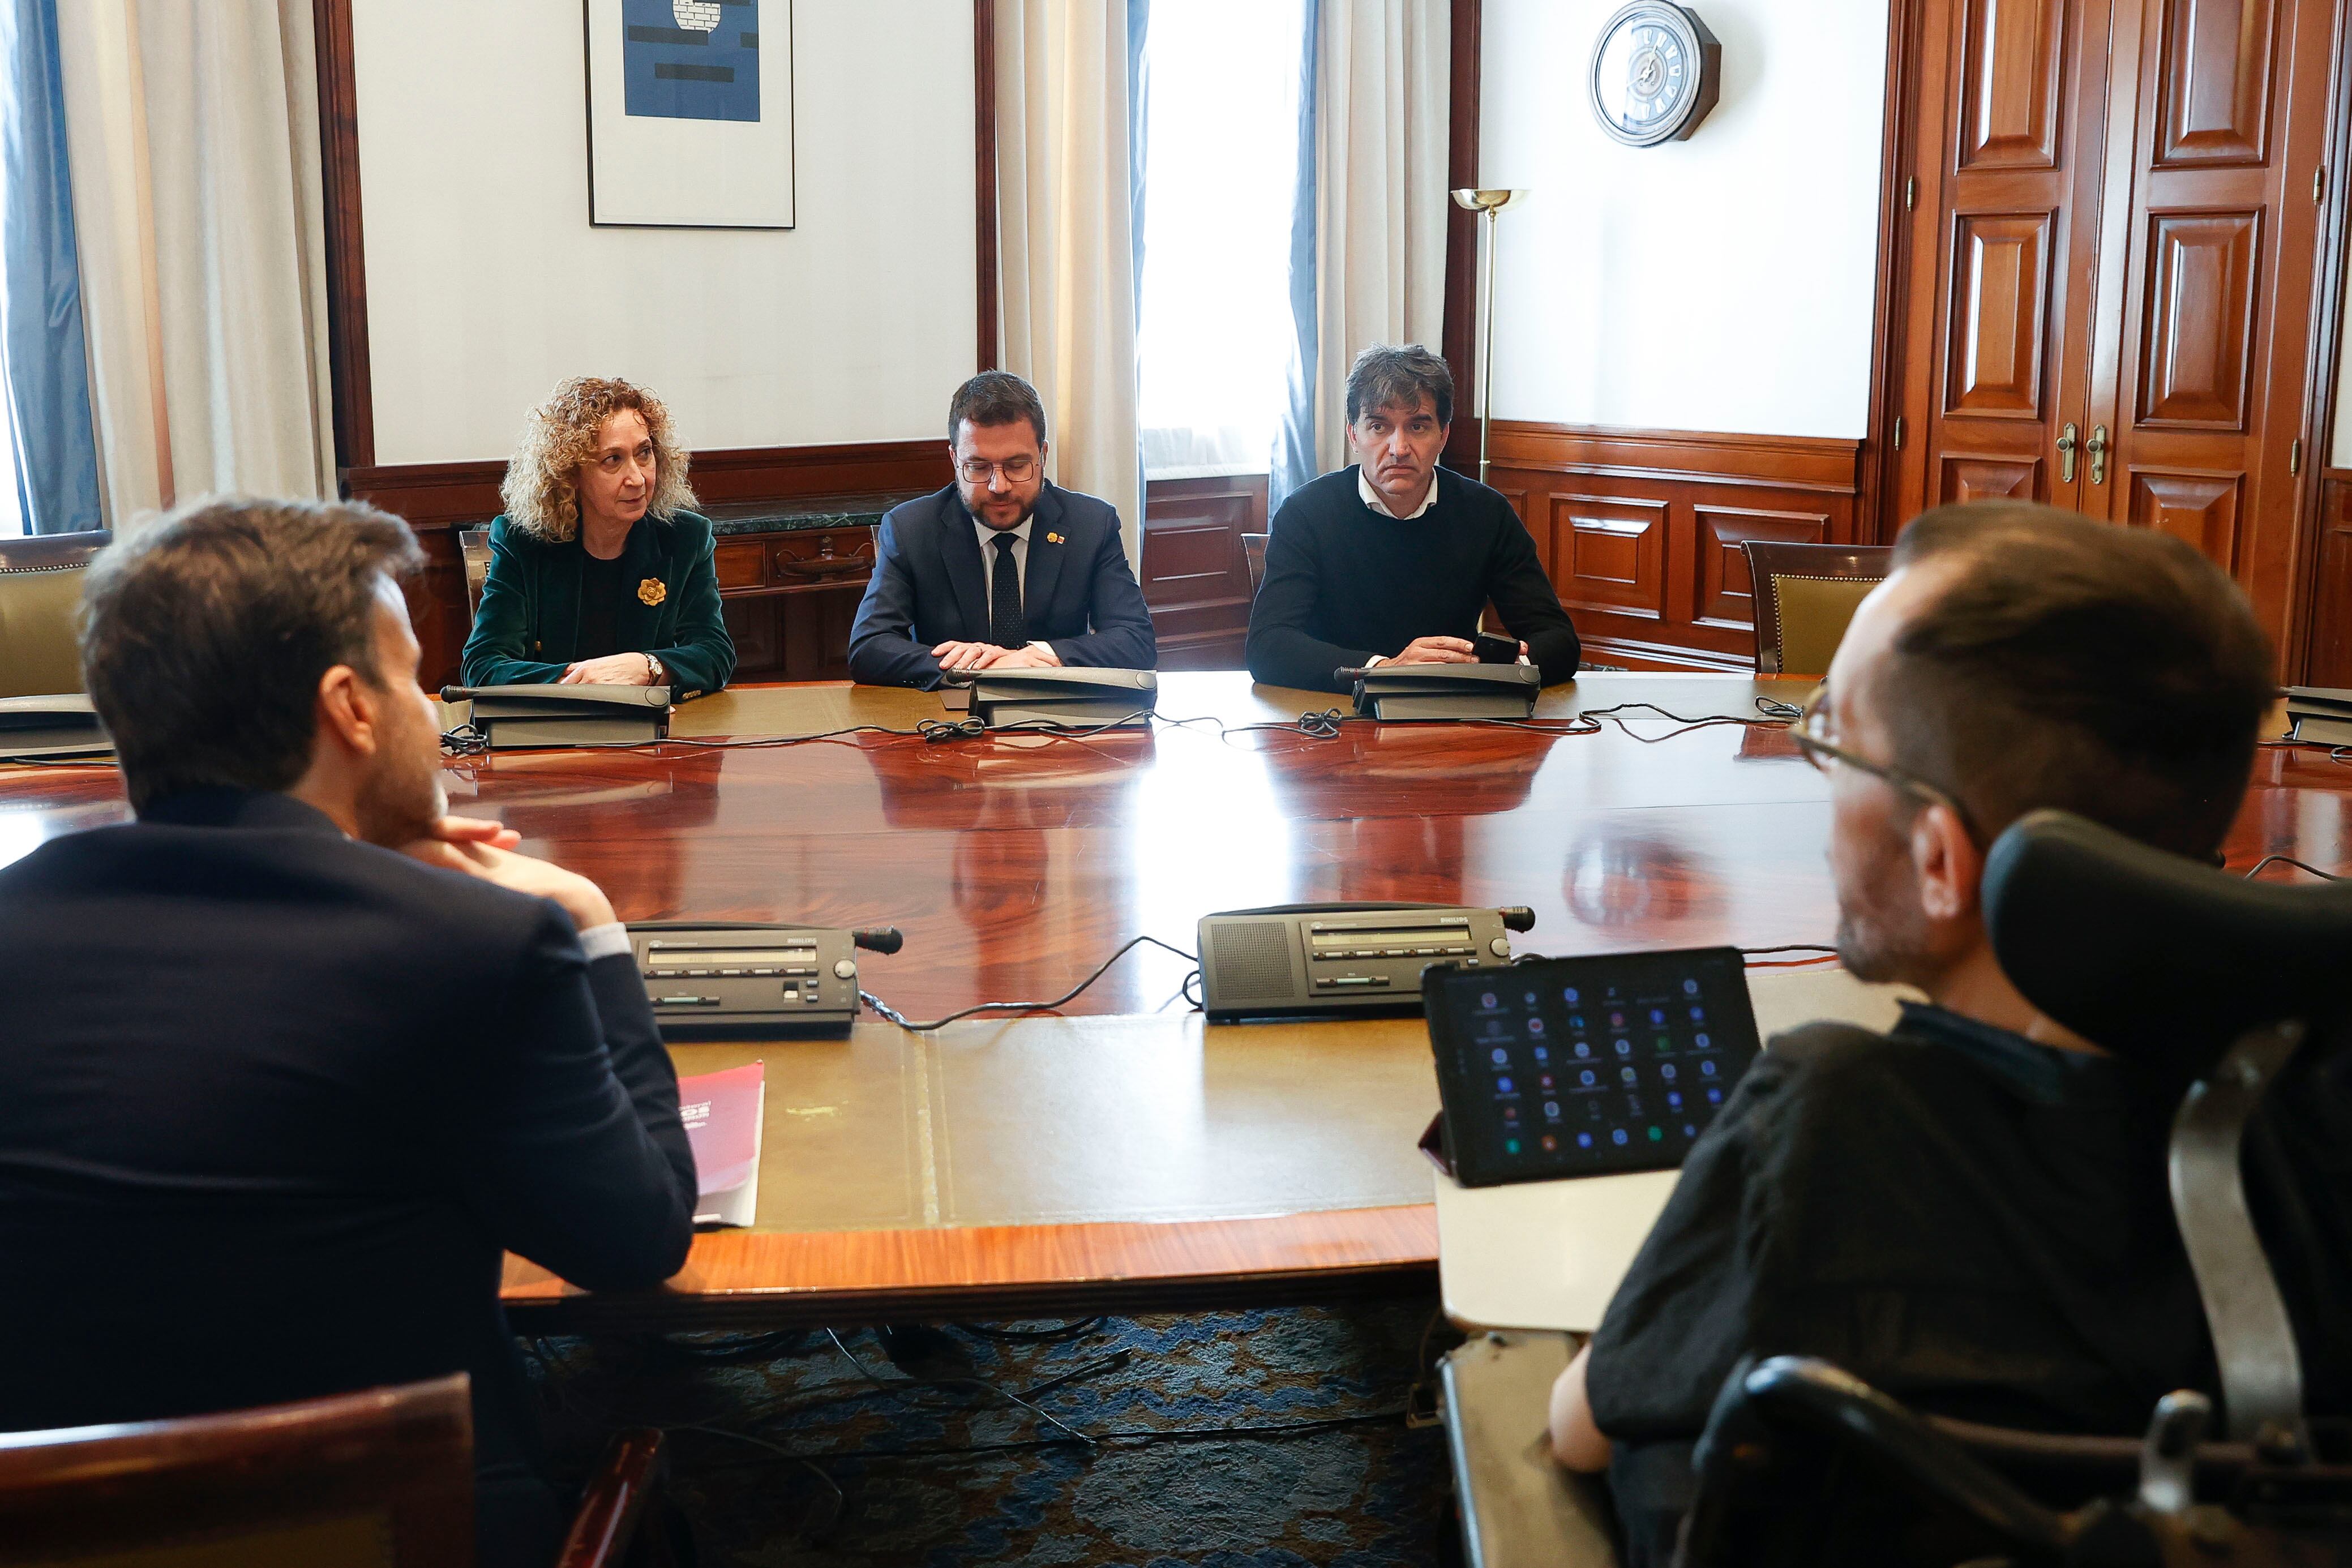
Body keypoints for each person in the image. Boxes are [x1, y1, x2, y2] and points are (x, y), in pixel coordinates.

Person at [1544, 502, 2352, 1562]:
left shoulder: (1835, 1115)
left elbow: (1577, 1431)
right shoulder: (2319, 1111)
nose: (1819, 774)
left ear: (1939, 862)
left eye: (1836, 741)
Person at [0, 499, 697, 1567]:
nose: (430, 708)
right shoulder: (476, 947)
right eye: (413, 678)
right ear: (349, 709)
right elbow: (636, 1245)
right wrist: (586, 919)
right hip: (400, 1529)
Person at [1245, 344, 1579, 693]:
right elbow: (1268, 647)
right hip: (1338, 715)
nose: (1399, 448)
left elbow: (1559, 641)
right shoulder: (1306, 514)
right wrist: (1383, 669)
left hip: (1453, 709)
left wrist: (1491, 668)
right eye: (1379, 427)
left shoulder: (1487, 513)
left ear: (1443, 436)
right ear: (1353, 435)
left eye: (1418, 427)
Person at [848, 370, 1155, 688]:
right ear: (955, 460)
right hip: (951, 719)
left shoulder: (1091, 524)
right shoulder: (911, 529)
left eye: (1017, 465)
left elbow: (1136, 641)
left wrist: (1038, 656)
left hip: (1057, 712)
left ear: (1043, 457)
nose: (999, 486)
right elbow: (869, 647)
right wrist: (975, 667)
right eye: (979, 467)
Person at [462, 375, 736, 697]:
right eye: (613, 460)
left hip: (658, 736)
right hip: (552, 737)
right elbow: (482, 666)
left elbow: (715, 652)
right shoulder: (522, 542)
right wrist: (585, 681)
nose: (636, 478)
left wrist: (647, 667)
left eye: (644, 453)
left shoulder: (685, 537)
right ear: (571, 474)